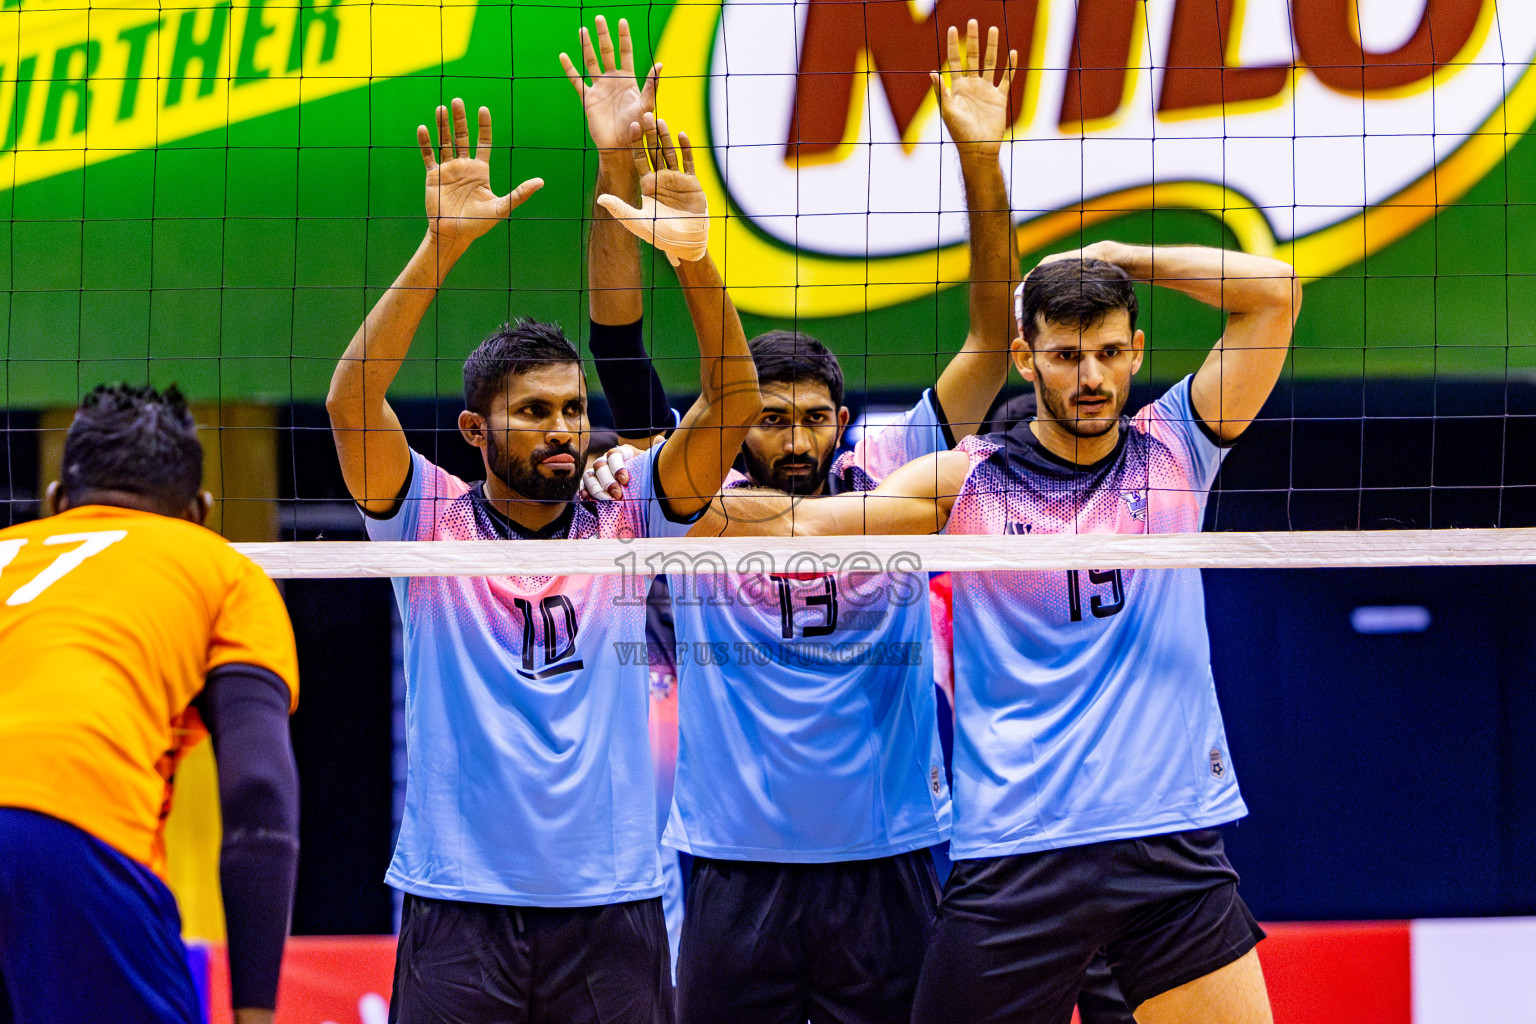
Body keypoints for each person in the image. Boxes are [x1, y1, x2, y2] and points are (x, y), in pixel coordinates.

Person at [693, 242, 1303, 1024]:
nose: (1091, 377)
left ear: (1136, 351)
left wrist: (1121, 255)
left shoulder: (1175, 447)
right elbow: (803, 520)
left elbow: (1276, 292)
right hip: (1020, 851)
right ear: (1025, 357)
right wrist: (660, 489)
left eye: (1111, 352)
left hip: (1167, 843)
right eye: (1067, 355)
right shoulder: (968, 478)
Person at [579, 21, 1017, 1024]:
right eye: (772, 418)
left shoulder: (893, 460)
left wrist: (979, 157)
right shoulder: (684, 483)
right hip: (734, 867)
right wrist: (614, 164)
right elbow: (616, 335)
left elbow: (994, 336)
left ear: (840, 420)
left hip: (892, 855)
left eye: (814, 416)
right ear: (741, 422)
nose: (796, 434)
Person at [324, 95, 758, 1023]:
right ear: (477, 429)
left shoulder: (628, 505)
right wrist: (440, 248)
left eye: (572, 409)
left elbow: (733, 403)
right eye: (534, 412)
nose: (563, 429)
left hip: (611, 905)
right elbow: (351, 399)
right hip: (459, 906)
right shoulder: (428, 514)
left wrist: (693, 257)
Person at [0, 383, 300, 1024]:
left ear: (56, 502)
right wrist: (254, 1012)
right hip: (62, 828)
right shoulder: (220, 567)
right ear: (202, 510)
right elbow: (258, 790)